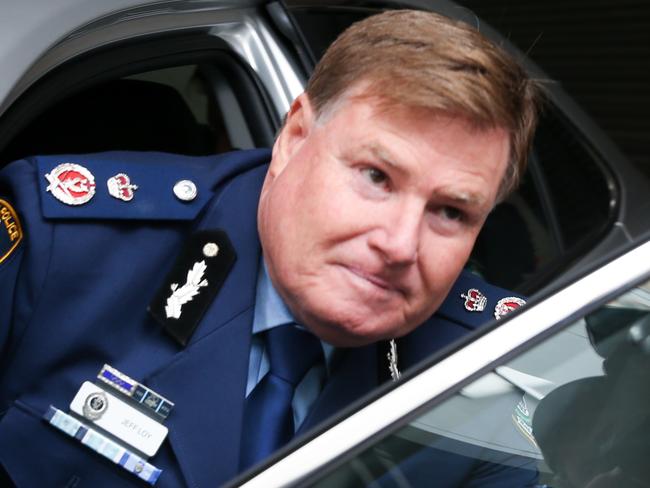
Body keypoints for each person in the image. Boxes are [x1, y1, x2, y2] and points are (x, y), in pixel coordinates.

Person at [0, 9, 540, 488]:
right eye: (376, 176)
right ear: (295, 137)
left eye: (451, 212)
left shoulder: (481, 379)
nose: (400, 245)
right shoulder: (62, 246)